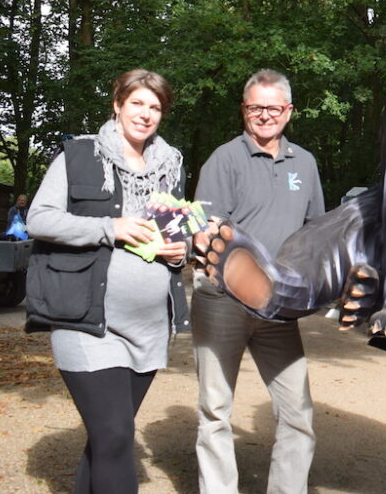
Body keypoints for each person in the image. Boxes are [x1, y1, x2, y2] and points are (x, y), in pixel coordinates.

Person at [24, 69, 189, 493]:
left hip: (148, 328)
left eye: (155, 107)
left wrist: (179, 250)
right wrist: (108, 227)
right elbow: (38, 219)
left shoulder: (170, 165)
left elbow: (172, 233)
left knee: (106, 440)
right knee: (116, 436)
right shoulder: (79, 155)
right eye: (137, 103)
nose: (146, 114)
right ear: (117, 104)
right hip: (87, 321)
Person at [192, 69, 325, 494]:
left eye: (273, 107)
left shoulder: (304, 162)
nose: (264, 115)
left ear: (288, 111)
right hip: (222, 303)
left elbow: (314, 231)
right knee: (215, 410)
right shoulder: (224, 159)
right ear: (243, 110)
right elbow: (208, 231)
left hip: (278, 308)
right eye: (255, 107)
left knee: (298, 413)